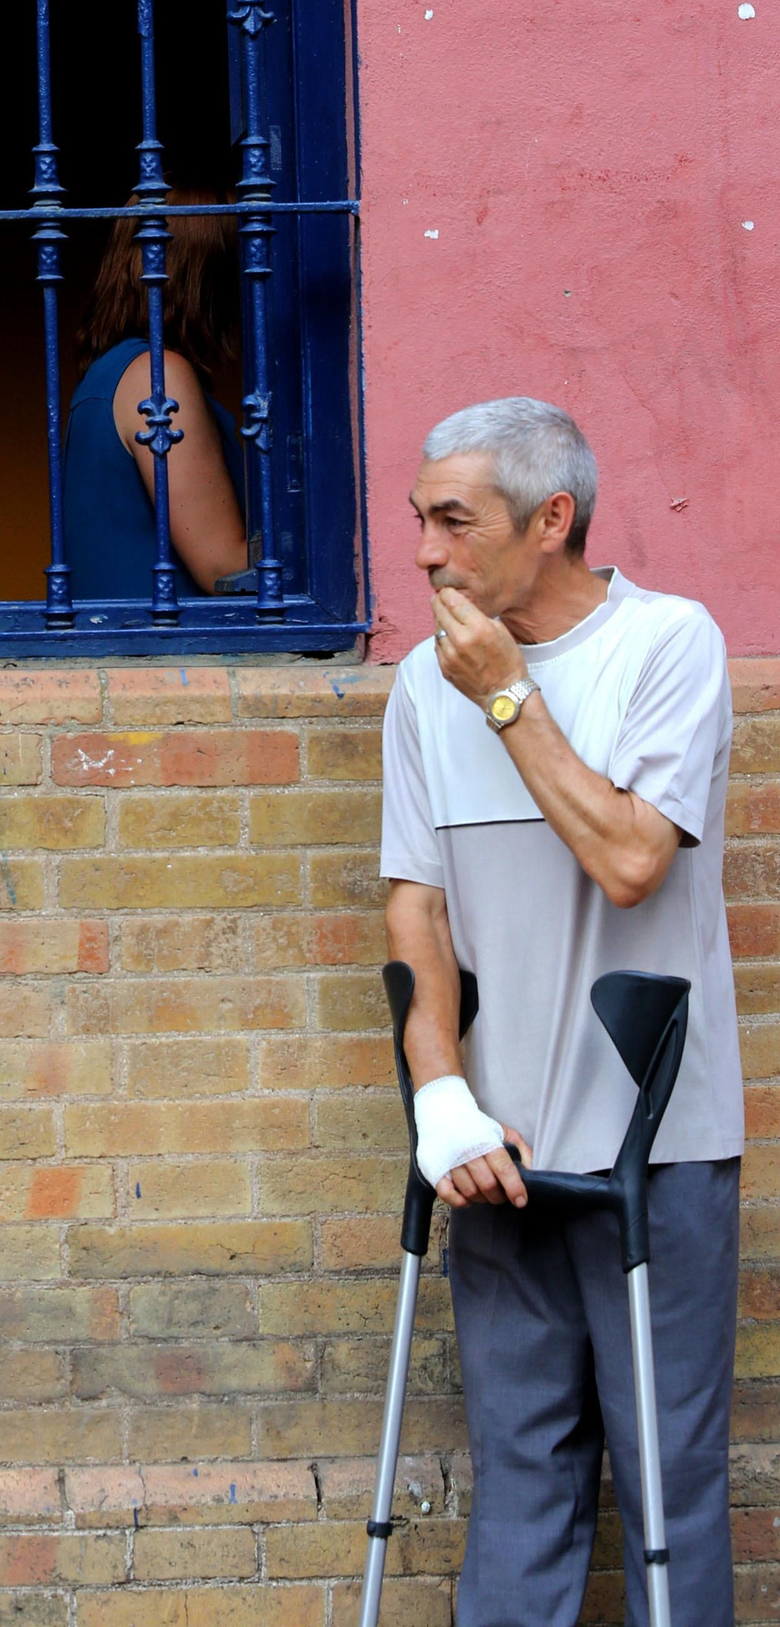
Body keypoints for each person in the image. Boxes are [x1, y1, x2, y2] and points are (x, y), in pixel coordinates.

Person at [382, 397, 741, 1627]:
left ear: (551, 521)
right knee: (521, 1486)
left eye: (451, 521)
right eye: (417, 520)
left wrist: (508, 697)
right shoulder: (420, 690)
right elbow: (415, 911)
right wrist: (440, 1101)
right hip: (500, 1154)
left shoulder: (668, 646)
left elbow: (633, 861)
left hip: (659, 1151)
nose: (424, 552)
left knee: (669, 1490)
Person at [63, 192, 250, 600]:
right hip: (170, 654)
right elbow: (224, 566)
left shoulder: (108, 376)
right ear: (208, 280)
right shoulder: (157, 376)